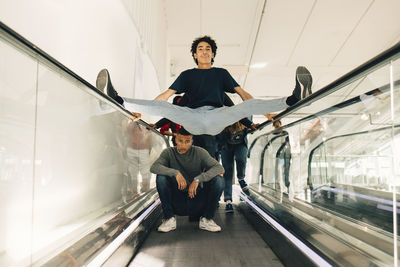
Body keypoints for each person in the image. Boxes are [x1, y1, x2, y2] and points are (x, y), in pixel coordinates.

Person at [96, 36, 312, 136]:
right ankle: (117, 100)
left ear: (213, 54)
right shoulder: (186, 74)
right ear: (194, 54)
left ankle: (294, 99)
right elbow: (165, 96)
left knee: (244, 108)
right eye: (200, 49)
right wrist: (142, 111)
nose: (205, 51)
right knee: (168, 107)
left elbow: (245, 96)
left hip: (218, 116)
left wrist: (267, 115)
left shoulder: (221, 73)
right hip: (193, 118)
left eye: (208, 49)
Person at [150, 127, 225, 232]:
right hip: (177, 198)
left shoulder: (200, 152)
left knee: (218, 180)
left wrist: (198, 179)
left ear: (192, 141)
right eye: (180, 141)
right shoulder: (168, 152)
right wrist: (175, 172)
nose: (183, 145)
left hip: (196, 196)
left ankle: (207, 219)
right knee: (161, 178)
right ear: (176, 140)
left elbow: (219, 168)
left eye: (187, 141)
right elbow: (154, 167)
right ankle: (169, 218)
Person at [217, 121, 251, 213]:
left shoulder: (243, 123)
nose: (233, 133)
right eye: (231, 131)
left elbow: (250, 125)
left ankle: (241, 178)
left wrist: (252, 125)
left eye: (235, 131)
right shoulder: (223, 126)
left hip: (240, 145)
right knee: (227, 172)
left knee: (241, 159)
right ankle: (228, 201)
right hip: (226, 147)